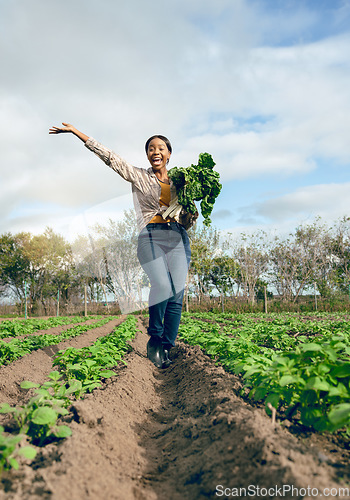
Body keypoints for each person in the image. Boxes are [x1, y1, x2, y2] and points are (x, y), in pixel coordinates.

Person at [49, 123, 197, 368]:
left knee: (176, 294)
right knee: (161, 284)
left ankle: (167, 346)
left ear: (169, 154)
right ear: (148, 155)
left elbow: (188, 220)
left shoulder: (182, 183)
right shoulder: (139, 175)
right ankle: (155, 337)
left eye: (161, 147)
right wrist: (77, 133)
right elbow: (111, 158)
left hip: (178, 237)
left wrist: (190, 216)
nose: (156, 151)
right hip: (151, 234)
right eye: (151, 148)